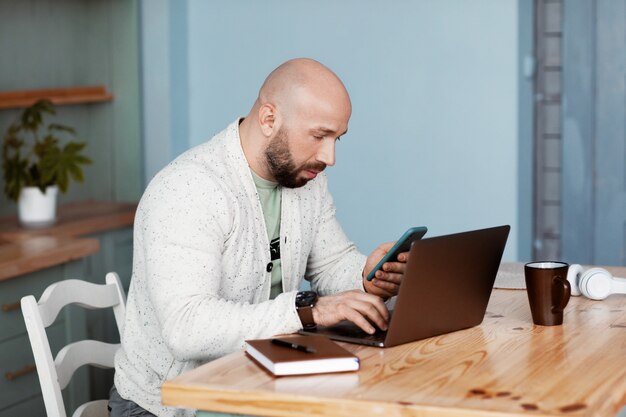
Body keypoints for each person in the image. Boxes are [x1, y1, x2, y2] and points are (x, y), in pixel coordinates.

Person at [109, 58, 410, 417]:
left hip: (259, 384)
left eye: (337, 138)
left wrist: (367, 276)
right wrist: (309, 310)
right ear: (269, 119)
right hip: (170, 406)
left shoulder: (305, 179)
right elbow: (186, 327)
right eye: (319, 136)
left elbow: (330, 264)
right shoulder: (187, 189)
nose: (330, 157)